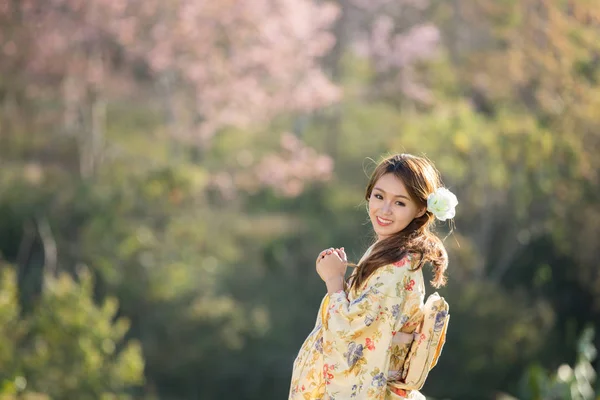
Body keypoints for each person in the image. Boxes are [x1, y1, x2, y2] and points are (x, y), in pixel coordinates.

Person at [288, 153, 457, 400]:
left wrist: (334, 281)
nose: (385, 210)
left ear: (420, 208)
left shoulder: (398, 268)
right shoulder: (391, 255)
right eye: (379, 196)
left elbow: (354, 335)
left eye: (400, 203)